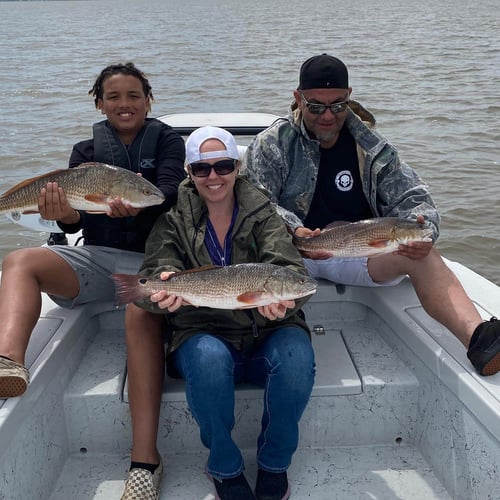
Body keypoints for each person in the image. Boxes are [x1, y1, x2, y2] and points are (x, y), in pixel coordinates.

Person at [242, 53, 500, 377]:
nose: (327, 116)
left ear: (349, 97)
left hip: (359, 250)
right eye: (316, 106)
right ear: (298, 98)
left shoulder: (371, 145)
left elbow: (415, 196)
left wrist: (425, 230)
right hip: (291, 254)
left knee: (423, 254)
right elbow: (253, 202)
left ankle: (480, 338)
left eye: (337, 106)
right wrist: (294, 229)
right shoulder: (272, 144)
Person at [0, 61, 186, 493]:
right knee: (21, 261)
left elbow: (172, 191)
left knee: (139, 314)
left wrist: (143, 205)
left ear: (148, 100)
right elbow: (73, 221)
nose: (125, 104)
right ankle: (8, 361)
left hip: (153, 261)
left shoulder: (168, 141)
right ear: (100, 103)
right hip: (100, 259)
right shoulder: (86, 152)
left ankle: (145, 461)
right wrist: (63, 214)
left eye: (134, 96)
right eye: (115, 97)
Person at [129, 126, 315, 500]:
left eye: (223, 166)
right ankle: (225, 468)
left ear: (237, 167)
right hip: (203, 330)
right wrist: (158, 292)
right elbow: (154, 275)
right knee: (209, 360)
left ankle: (274, 464)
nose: (213, 176)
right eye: (202, 169)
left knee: (296, 356)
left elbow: (292, 272)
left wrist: (286, 303)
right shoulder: (171, 220)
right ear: (189, 172)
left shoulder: (265, 214)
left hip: (268, 327)